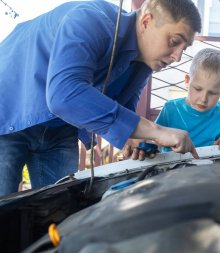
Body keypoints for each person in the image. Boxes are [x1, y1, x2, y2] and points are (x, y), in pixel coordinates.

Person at [0, 0, 201, 195]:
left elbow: (124, 115)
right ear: (146, 21)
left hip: (60, 130)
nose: (178, 56)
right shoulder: (91, 20)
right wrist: (156, 130)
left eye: (184, 48)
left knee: (58, 213)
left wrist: (134, 139)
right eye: (174, 42)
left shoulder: (143, 65)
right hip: (9, 112)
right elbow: (65, 95)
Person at [124, 48, 220, 160]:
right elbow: (154, 139)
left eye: (213, 93)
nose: (204, 99)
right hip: (170, 169)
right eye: (198, 89)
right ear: (187, 81)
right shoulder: (171, 108)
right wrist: (145, 148)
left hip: (205, 169)